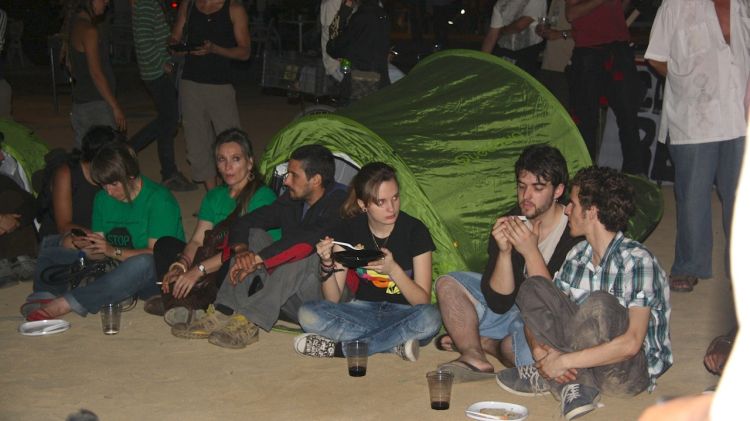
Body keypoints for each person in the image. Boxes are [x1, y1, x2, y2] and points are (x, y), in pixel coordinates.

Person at [500, 166, 671, 420]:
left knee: (599, 303)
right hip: (583, 356)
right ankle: (571, 383)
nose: (566, 210)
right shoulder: (577, 255)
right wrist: (539, 353)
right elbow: (547, 310)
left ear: (591, 212)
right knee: (533, 287)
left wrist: (563, 362)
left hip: (627, 372)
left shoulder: (637, 260)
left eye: (572, 203)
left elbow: (632, 343)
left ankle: (567, 379)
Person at [172, 144, 347, 349]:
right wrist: (243, 251)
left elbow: (306, 239)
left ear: (315, 180)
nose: (286, 180)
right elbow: (246, 222)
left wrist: (258, 259)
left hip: (325, 297)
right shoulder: (294, 198)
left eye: (293, 175)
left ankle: (250, 320)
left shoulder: (340, 202)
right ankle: (224, 311)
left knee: (306, 253)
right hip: (286, 291)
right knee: (254, 235)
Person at [434, 145, 581, 382]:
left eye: (538, 188)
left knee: (531, 359)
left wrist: (531, 252)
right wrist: (503, 253)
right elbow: (499, 303)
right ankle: (473, 356)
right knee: (447, 284)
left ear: (558, 190)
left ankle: (487, 344)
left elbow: (555, 308)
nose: (526, 196)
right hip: (508, 310)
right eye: (521, 186)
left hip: (540, 321)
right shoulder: (512, 220)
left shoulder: (574, 231)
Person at [644, 0, 749, 292]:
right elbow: (656, 56)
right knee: (692, 195)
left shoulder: (743, 5)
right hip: (693, 118)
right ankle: (689, 265)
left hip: (739, 116)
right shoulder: (676, 5)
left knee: (741, 196)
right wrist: (686, 83)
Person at [294, 162, 441, 361]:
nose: (391, 208)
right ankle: (392, 344)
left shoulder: (415, 231)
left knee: (430, 318)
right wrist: (327, 263)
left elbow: (422, 301)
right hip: (361, 311)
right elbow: (332, 299)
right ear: (363, 205)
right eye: (381, 202)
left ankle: (343, 349)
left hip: (404, 313)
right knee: (308, 313)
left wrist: (394, 270)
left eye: (395, 198)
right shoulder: (347, 230)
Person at [24, 142, 184, 320]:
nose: (108, 191)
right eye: (103, 185)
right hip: (115, 266)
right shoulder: (102, 198)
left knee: (143, 262)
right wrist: (89, 247)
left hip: (157, 274)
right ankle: (44, 294)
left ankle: (67, 303)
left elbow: (156, 254)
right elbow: (102, 252)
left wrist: (111, 250)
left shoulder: (159, 200)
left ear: (131, 176)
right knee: (56, 242)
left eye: (114, 184)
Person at [148, 128, 278, 321]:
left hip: (252, 264)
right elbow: (197, 240)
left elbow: (242, 250)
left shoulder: (262, 197)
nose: (228, 167)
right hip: (213, 258)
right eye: (221, 160)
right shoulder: (214, 196)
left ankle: (186, 300)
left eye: (235, 159)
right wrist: (181, 265)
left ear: (250, 162)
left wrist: (197, 270)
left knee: (231, 262)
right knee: (165, 244)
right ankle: (182, 298)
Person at [23, 127, 122, 314]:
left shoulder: (112, 176)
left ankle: (83, 281)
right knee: (71, 244)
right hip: (65, 238)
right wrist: (95, 239)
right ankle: (50, 291)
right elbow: (64, 224)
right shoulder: (67, 173)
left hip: (99, 240)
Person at [171, 0, 251, 190]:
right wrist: (179, 46)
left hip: (220, 85)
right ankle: (212, 197)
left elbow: (245, 52)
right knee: (197, 143)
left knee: (232, 143)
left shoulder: (234, 9)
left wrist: (215, 49)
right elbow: (174, 37)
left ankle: (238, 195)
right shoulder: (189, 5)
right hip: (190, 82)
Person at [566, 0, 646, 174]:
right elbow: (571, 14)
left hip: (618, 48)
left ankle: (634, 176)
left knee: (628, 117)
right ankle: (585, 176)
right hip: (589, 51)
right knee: (586, 119)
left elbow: (619, 8)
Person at [129, 0, 194, 192]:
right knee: (169, 119)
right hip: (156, 73)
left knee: (167, 122)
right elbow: (144, 41)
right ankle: (128, 148)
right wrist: (163, 65)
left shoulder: (148, 4)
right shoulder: (145, 4)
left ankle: (169, 173)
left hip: (156, 72)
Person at [66, 0, 126, 148]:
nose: (107, 2)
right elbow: (96, 73)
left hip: (81, 104)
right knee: (107, 159)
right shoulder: (89, 31)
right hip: (96, 106)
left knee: (85, 158)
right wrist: (115, 106)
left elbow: (69, 64)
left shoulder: (75, 24)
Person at [327, 0, 390, 100]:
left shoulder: (361, 16)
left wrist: (345, 9)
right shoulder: (383, 15)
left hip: (361, 78)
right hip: (380, 74)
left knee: (349, 111)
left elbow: (339, 44)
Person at [480, 0, 546, 76]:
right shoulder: (502, 3)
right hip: (504, 55)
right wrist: (482, 60)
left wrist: (502, 31)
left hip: (527, 55)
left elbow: (521, 25)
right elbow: (491, 36)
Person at [535, 0, 574, 107]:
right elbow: (552, 25)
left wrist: (560, 35)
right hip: (547, 63)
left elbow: (585, 31)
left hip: (566, 66)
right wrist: (542, 29)